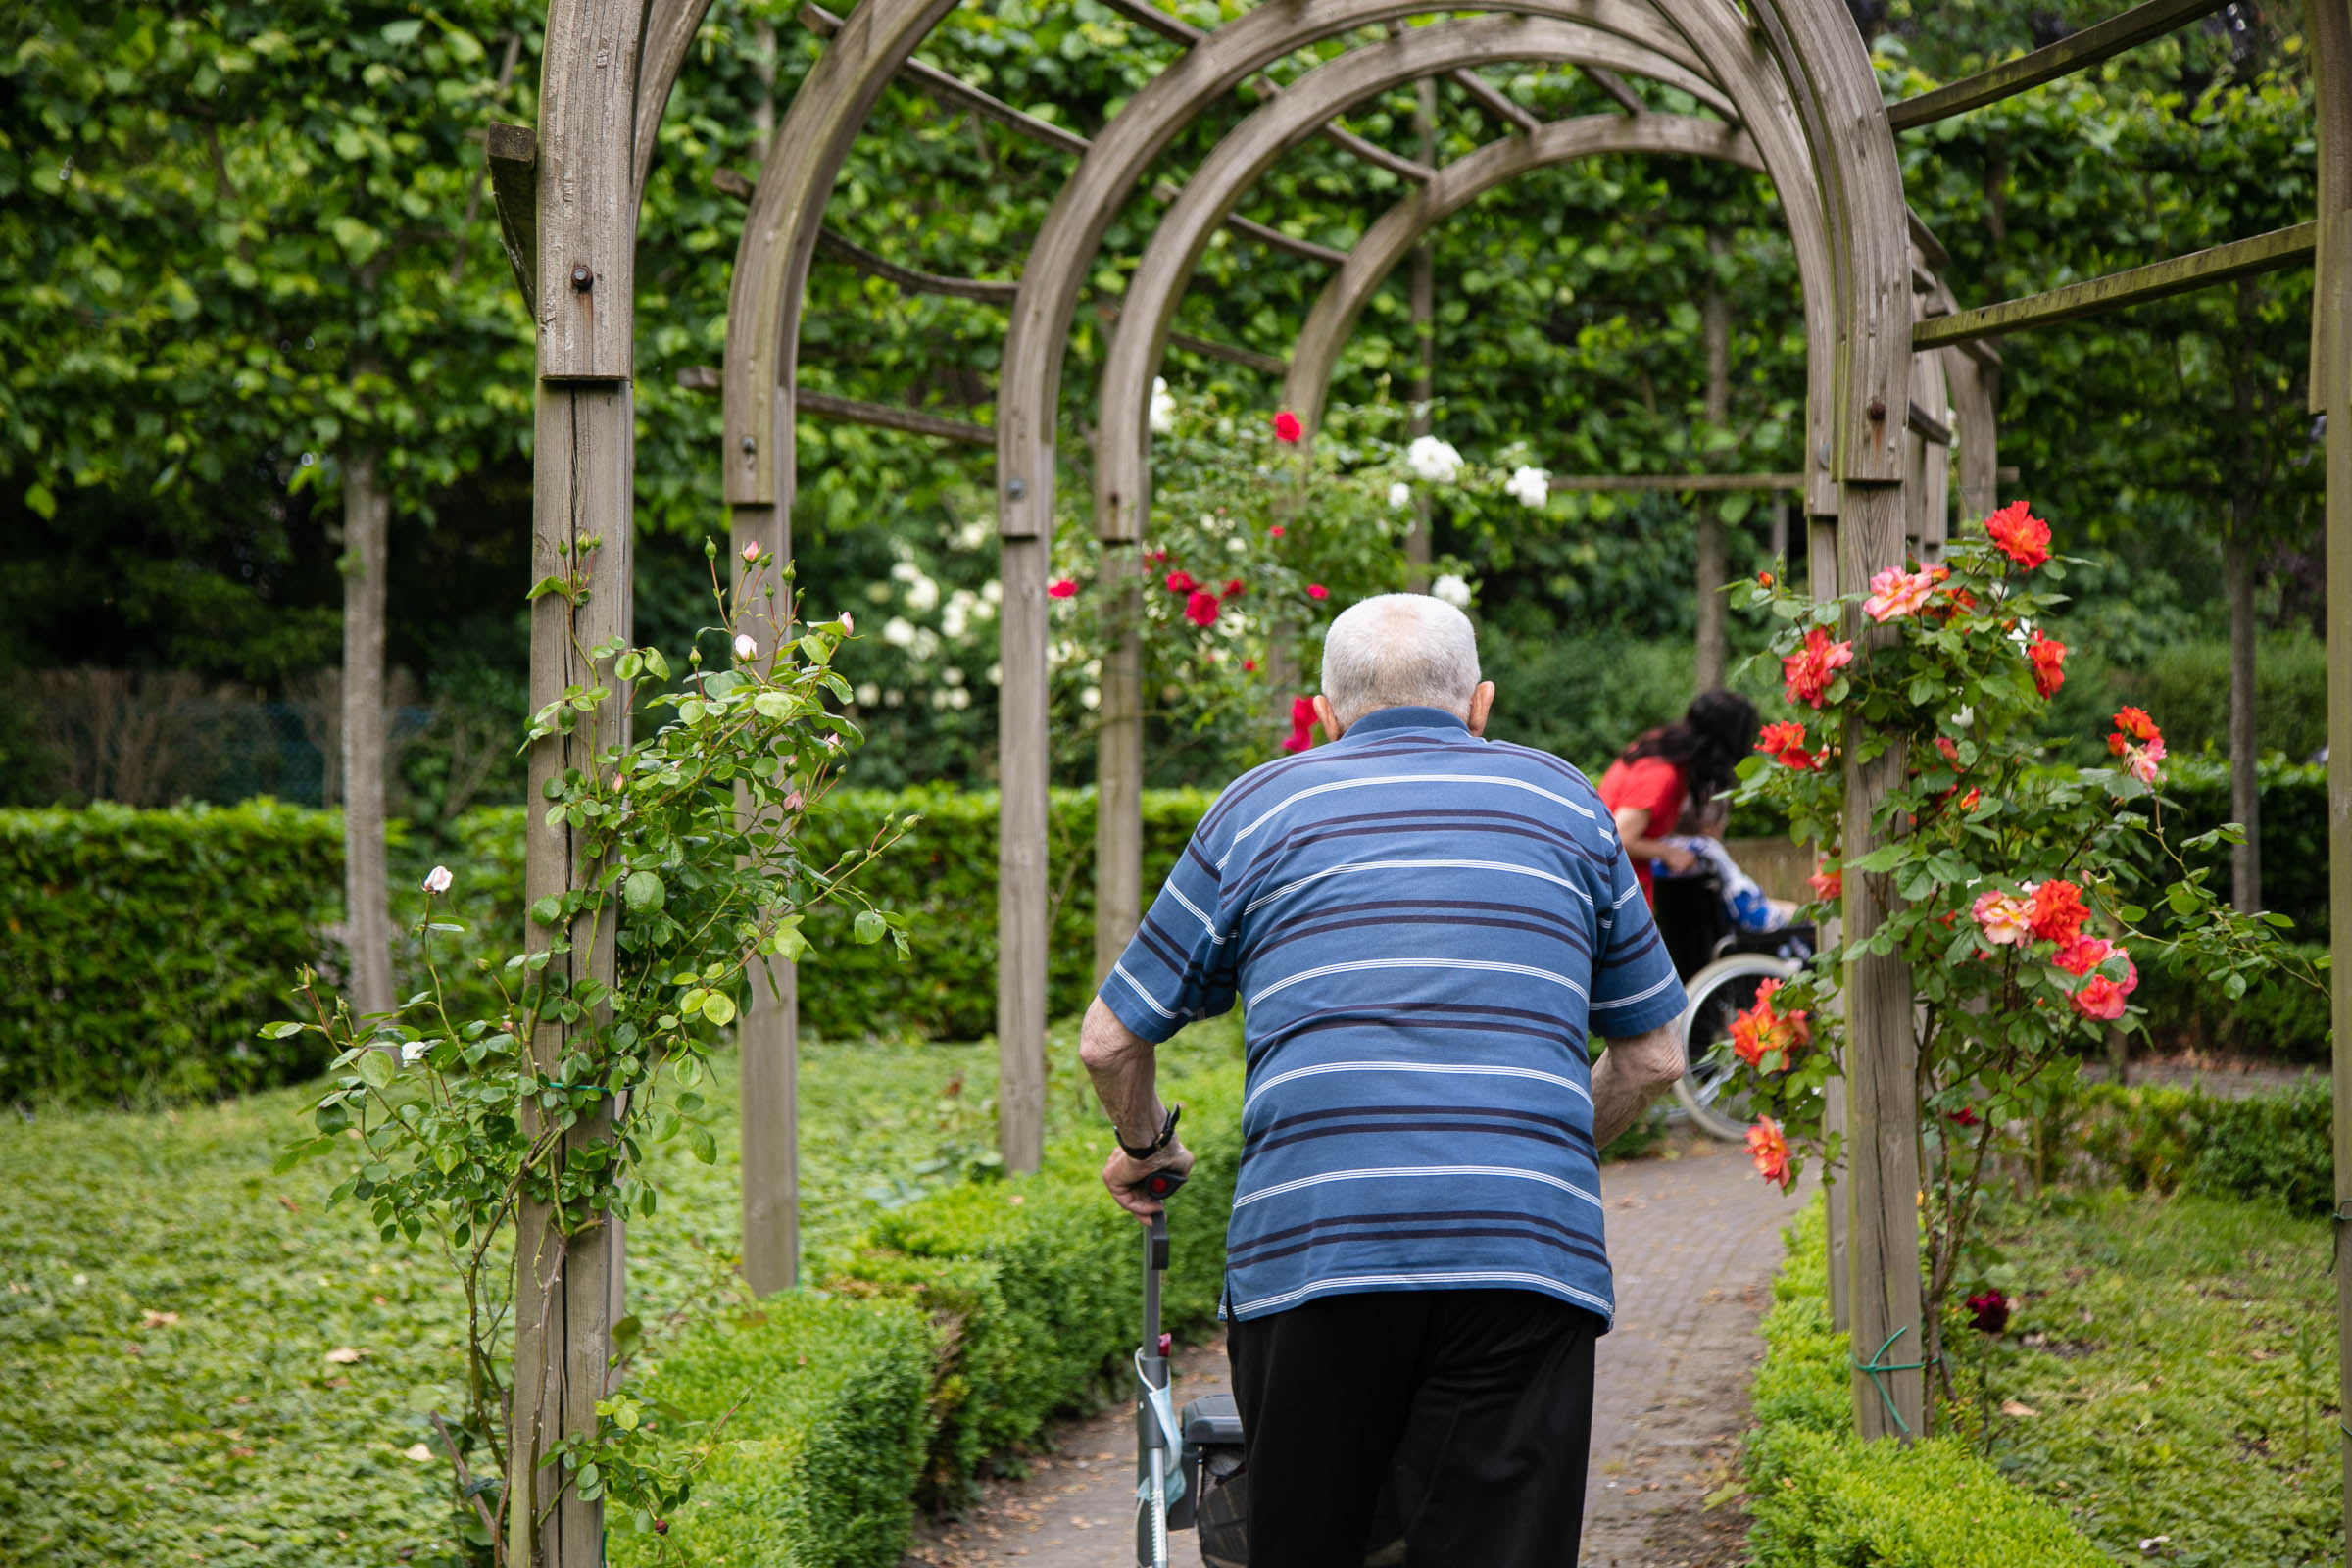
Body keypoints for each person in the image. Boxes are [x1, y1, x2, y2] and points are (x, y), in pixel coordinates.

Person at [1077, 593, 1689, 1568]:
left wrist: (1148, 1145)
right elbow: (1654, 1057)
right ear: (1480, 705)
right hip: (1523, 1259)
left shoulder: (1258, 807)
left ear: (1324, 715)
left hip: (1313, 1255)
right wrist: (1525, 1151)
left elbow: (1110, 1042)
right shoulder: (1567, 801)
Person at [1595, 688, 1759, 904]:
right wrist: (1669, 853)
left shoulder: (1664, 750)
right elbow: (1620, 838)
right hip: (1614, 897)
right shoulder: (1661, 773)